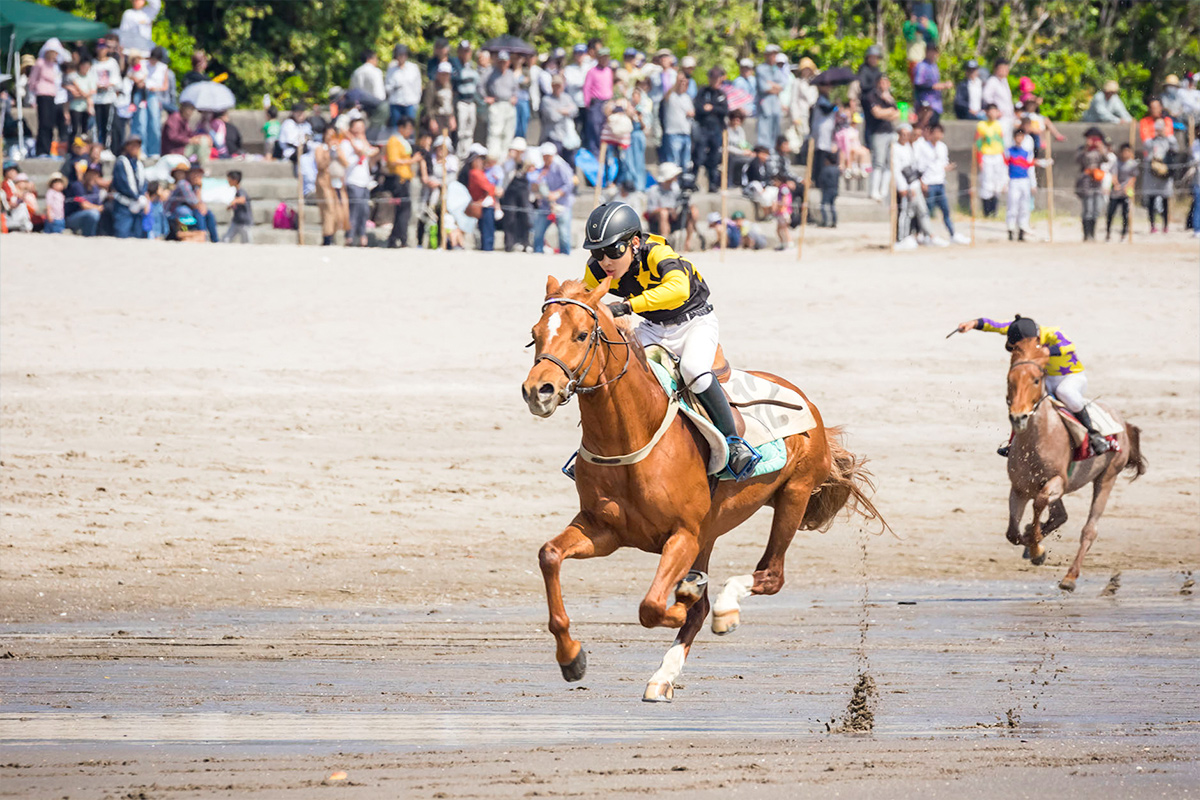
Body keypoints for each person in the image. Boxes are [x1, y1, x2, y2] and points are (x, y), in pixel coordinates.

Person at [578, 202, 763, 480]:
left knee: (694, 372)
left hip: (695, 321)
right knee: (624, 370)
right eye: (597, 252)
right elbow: (585, 299)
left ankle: (734, 443)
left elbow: (678, 289)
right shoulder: (597, 269)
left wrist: (627, 307)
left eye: (613, 250)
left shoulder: (658, 253)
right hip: (653, 326)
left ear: (635, 242)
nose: (605, 261)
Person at [954, 315, 1109, 456]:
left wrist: (1046, 351)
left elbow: (1069, 346)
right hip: (1046, 378)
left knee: (1065, 392)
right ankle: (1013, 442)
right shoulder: (1018, 329)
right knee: (1023, 399)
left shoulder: (1053, 333)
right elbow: (994, 325)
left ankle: (1094, 434)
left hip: (1071, 377)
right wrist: (972, 324)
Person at [915, 123, 968, 244]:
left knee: (946, 211)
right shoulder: (922, 146)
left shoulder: (942, 147)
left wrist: (948, 167)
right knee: (926, 212)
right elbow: (920, 165)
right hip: (929, 183)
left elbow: (943, 163)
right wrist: (922, 182)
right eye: (936, 132)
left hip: (940, 182)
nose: (938, 135)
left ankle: (952, 234)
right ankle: (924, 235)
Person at [1005, 126, 1051, 241]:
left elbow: (1030, 168)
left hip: (1024, 180)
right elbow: (1005, 167)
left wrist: (1033, 184)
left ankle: (1022, 229)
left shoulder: (1026, 152)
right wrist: (1004, 182)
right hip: (1013, 180)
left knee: (1024, 206)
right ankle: (1011, 229)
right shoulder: (1009, 151)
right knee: (1013, 205)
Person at [893, 124, 935, 250]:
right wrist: (902, 187)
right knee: (904, 213)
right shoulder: (895, 148)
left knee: (919, 211)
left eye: (907, 134)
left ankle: (923, 235)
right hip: (904, 185)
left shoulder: (908, 147)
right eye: (903, 134)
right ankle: (901, 238)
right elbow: (897, 169)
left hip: (913, 183)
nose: (905, 137)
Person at [530, 141, 574, 254]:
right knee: (538, 232)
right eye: (544, 156)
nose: (546, 158)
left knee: (564, 233)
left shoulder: (561, 166)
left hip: (562, 204)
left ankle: (565, 254)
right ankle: (537, 253)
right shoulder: (541, 168)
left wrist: (557, 193)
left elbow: (569, 183)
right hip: (546, 205)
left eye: (548, 156)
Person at [340, 117, 377, 247]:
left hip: (364, 181)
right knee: (353, 211)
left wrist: (363, 141)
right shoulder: (345, 143)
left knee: (364, 211)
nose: (360, 130)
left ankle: (362, 236)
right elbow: (350, 159)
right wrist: (351, 140)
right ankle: (349, 237)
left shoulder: (363, 141)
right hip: (352, 180)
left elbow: (371, 152)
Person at [645, 162, 698, 250]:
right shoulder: (654, 190)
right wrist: (667, 210)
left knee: (693, 211)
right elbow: (650, 212)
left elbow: (681, 204)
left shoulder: (676, 188)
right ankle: (665, 242)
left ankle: (688, 243)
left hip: (674, 218)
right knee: (663, 213)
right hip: (659, 220)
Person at [693, 67, 728, 190]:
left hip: (716, 129)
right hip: (703, 128)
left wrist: (712, 108)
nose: (715, 81)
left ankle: (712, 183)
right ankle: (693, 181)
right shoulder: (703, 92)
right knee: (699, 155)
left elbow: (724, 110)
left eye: (717, 78)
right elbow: (698, 108)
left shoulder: (721, 94)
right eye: (713, 78)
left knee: (714, 157)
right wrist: (706, 109)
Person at [383, 116, 416, 248]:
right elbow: (392, 160)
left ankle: (397, 236)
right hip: (398, 179)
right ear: (400, 128)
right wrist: (412, 161)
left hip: (406, 178)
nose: (410, 131)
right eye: (408, 128)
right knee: (402, 209)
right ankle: (400, 238)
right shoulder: (394, 141)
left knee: (405, 209)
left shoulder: (404, 141)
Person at [1141, 118, 1177, 234]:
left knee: (1165, 200)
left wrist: (1168, 136)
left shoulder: (1169, 141)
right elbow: (1147, 152)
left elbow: (1176, 149)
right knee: (1151, 201)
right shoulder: (1150, 142)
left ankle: (1165, 225)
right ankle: (1152, 225)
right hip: (1152, 175)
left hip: (1165, 176)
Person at [30, 41, 64, 157]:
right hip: (42, 95)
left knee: (50, 124)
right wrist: (31, 98)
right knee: (44, 123)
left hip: (52, 96)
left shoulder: (54, 65)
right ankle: (41, 150)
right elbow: (32, 80)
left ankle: (48, 149)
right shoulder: (40, 63)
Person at [167, 165, 218, 242]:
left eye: (198, 174)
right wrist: (201, 206)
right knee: (190, 211)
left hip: (188, 210)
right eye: (194, 174)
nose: (196, 176)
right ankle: (198, 232)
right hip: (174, 213)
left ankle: (214, 239)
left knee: (208, 213)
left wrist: (199, 188)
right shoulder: (183, 183)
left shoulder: (194, 186)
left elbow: (198, 202)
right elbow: (193, 202)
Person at [1075, 127, 1108, 242]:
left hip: (1097, 182)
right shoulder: (1082, 149)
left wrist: (1102, 149)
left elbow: (1106, 159)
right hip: (1085, 182)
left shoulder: (1100, 149)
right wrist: (1086, 148)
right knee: (1087, 209)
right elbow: (1078, 161)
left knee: (1096, 210)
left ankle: (1093, 234)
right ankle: (1086, 235)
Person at [111, 135, 148, 238]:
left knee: (138, 235)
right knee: (122, 234)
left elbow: (143, 182)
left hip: (138, 204)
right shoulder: (121, 162)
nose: (134, 148)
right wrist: (135, 197)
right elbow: (122, 183)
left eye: (137, 145)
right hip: (124, 204)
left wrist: (141, 196)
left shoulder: (139, 164)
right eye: (132, 145)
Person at [161, 101, 211, 171]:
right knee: (203, 141)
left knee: (203, 139)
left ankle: (201, 164)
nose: (190, 113)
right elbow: (172, 136)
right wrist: (189, 140)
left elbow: (189, 134)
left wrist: (198, 137)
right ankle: (202, 166)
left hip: (182, 148)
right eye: (189, 110)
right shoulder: (174, 118)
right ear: (183, 109)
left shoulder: (184, 120)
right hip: (173, 150)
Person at [976, 103, 1006, 217]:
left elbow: (1001, 142)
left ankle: (994, 211)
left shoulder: (999, 125)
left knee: (997, 183)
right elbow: (978, 143)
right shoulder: (981, 125)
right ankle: (986, 211)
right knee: (987, 183)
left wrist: (1003, 159)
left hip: (998, 156)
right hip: (986, 156)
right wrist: (979, 160)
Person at [486, 51, 519, 155]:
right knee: (495, 132)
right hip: (497, 104)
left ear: (508, 62)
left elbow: (516, 88)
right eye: (500, 62)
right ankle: (493, 157)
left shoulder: (510, 74)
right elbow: (480, 86)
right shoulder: (491, 72)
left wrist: (515, 96)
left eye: (504, 62)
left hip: (509, 105)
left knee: (508, 133)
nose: (502, 64)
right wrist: (485, 97)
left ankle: (503, 159)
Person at [582, 47, 614, 152]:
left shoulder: (609, 71)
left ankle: (605, 155)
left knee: (606, 129)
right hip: (596, 103)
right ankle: (594, 153)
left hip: (607, 102)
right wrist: (588, 104)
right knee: (594, 128)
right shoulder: (592, 72)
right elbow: (587, 88)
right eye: (602, 58)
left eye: (606, 58)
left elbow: (610, 86)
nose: (605, 60)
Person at [91, 41, 121, 150]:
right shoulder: (93, 63)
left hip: (108, 99)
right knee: (97, 126)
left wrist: (108, 84)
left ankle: (106, 148)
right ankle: (97, 148)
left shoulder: (112, 63)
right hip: (96, 99)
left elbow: (117, 81)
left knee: (108, 125)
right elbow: (90, 81)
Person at [661, 72, 695, 169]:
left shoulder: (687, 98)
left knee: (685, 162)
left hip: (686, 132)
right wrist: (677, 81)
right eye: (681, 83)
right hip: (673, 133)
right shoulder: (671, 96)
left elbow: (692, 112)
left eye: (685, 84)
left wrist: (691, 114)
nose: (682, 85)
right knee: (674, 162)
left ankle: (682, 182)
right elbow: (666, 95)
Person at [755, 45, 785, 150]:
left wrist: (773, 85)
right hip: (765, 103)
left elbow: (783, 86)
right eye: (771, 54)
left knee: (776, 129)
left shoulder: (777, 70)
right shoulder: (760, 69)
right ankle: (764, 150)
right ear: (766, 55)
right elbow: (764, 87)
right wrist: (775, 87)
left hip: (775, 105)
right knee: (764, 129)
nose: (773, 57)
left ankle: (773, 151)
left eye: (775, 54)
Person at [1105, 143, 1137, 242]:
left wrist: (1127, 187)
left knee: (1125, 214)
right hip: (1116, 191)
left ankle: (1124, 233)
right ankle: (1108, 232)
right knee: (1110, 213)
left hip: (1126, 192)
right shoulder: (1116, 162)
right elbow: (1113, 174)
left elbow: (1133, 177)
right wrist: (1116, 185)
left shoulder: (1132, 163)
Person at [454, 43, 481, 158]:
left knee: (470, 131)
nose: (466, 54)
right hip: (461, 102)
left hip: (471, 102)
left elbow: (476, 84)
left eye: (467, 51)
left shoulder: (472, 67)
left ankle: (467, 154)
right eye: (463, 51)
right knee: (461, 131)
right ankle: (459, 155)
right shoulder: (455, 66)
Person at [911, 44, 952, 119]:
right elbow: (918, 84)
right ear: (926, 52)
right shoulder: (921, 66)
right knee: (924, 125)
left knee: (934, 127)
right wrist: (934, 86)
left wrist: (943, 85)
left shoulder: (934, 66)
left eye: (934, 52)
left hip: (936, 104)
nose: (933, 54)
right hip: (925, 102)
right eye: (930, 52)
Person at [385, 44, 421, 127]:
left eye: (404, 54)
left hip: (410, 103)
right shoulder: (391, 69)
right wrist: (394, 86)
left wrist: (417, 101)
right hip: (396, 103)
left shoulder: (413, 68)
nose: (402, 57)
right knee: (395, 129)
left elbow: (417, 86)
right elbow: (387, 86)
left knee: (409, 128)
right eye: (399, 55)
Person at [982, 59, 1014, 145]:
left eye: (1006, 69)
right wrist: (995, 110)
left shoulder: (1004, 81)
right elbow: (986, 96)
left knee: (1008, 143)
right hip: (999, 118)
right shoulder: (992, 81)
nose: (1005, 71)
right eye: (1002, 68)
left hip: (1008, 117)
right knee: (1000, 143)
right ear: (996, 69)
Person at [64, 167, 104, 236]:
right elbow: (83, 205)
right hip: (71, 217)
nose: (92, 177)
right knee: (93, 214)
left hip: (87, 214)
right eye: (90, 174)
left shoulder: (96, 189)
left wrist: (97, 208)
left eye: (95, 175)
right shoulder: (77, 186)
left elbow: (101, 207)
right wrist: (97, 208)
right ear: (85, 175)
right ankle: (89, 236)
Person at [423, 61, 457, 138]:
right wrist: (432, 120)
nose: (445, 77)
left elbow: (450, 103)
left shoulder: (449, 85)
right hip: (437, 117)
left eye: (447, 74)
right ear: (438, 74)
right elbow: (428, 105)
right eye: (443, 74)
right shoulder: (432, 86)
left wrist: (452, 117)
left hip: (447, 117)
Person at [220, 170, 252, 243]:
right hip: (236, 221)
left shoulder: (241, 191)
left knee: (246, 242)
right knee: (226, 239)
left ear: (235, 180)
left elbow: (242, 199)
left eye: (229, 179)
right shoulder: (236, 192)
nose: (228, 181)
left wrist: (233, 202)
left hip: (244, 222)